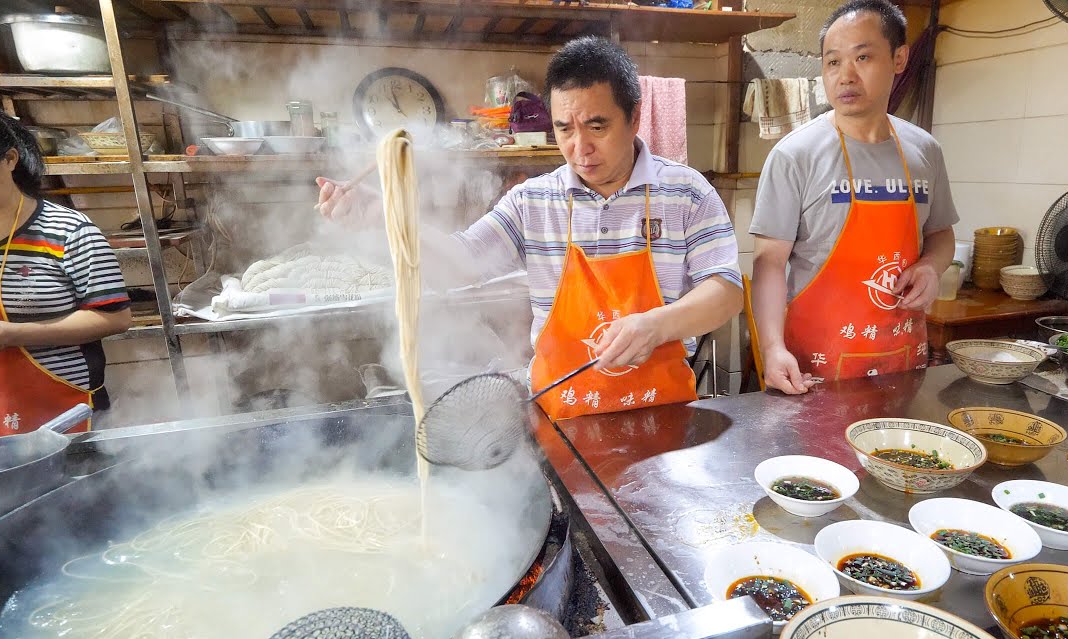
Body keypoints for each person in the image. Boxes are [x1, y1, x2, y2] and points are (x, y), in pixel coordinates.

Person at [317, 37, 743, 421]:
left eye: (597, 126)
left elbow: (725, 290)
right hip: (561, 412)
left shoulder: (686, 192)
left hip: (662, 411)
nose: (580, 148)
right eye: (564, 129)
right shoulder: (532, 200)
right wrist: (384, 217)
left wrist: (655, 325)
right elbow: (461, 263)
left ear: (634, 118)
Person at [749, 0, 957, 394]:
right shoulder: (795, 155)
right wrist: (772, 346)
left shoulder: (925, 151)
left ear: (899, 58)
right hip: (815, 364)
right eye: (832, 62)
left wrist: (931, 266)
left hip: (901, 358)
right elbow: (770, 262)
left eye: (862, 57)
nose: (845, 76)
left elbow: (941, 233)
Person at [0, 93, 131, 443]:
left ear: (8, 159)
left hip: (59, 419)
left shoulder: (69, 232)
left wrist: (9, 335)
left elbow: (115, 317)